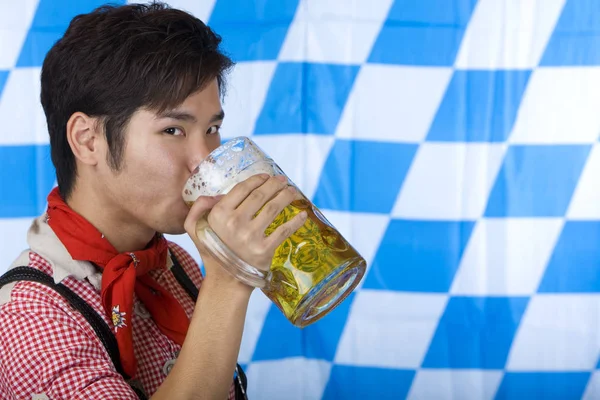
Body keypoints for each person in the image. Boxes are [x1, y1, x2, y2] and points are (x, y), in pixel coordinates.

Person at [0, 2, 307, 399]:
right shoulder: (29, 312)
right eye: (173, 130)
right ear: (87, 139)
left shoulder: (174, 265)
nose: (204, 161)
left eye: (213, 128)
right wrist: (230, 282)